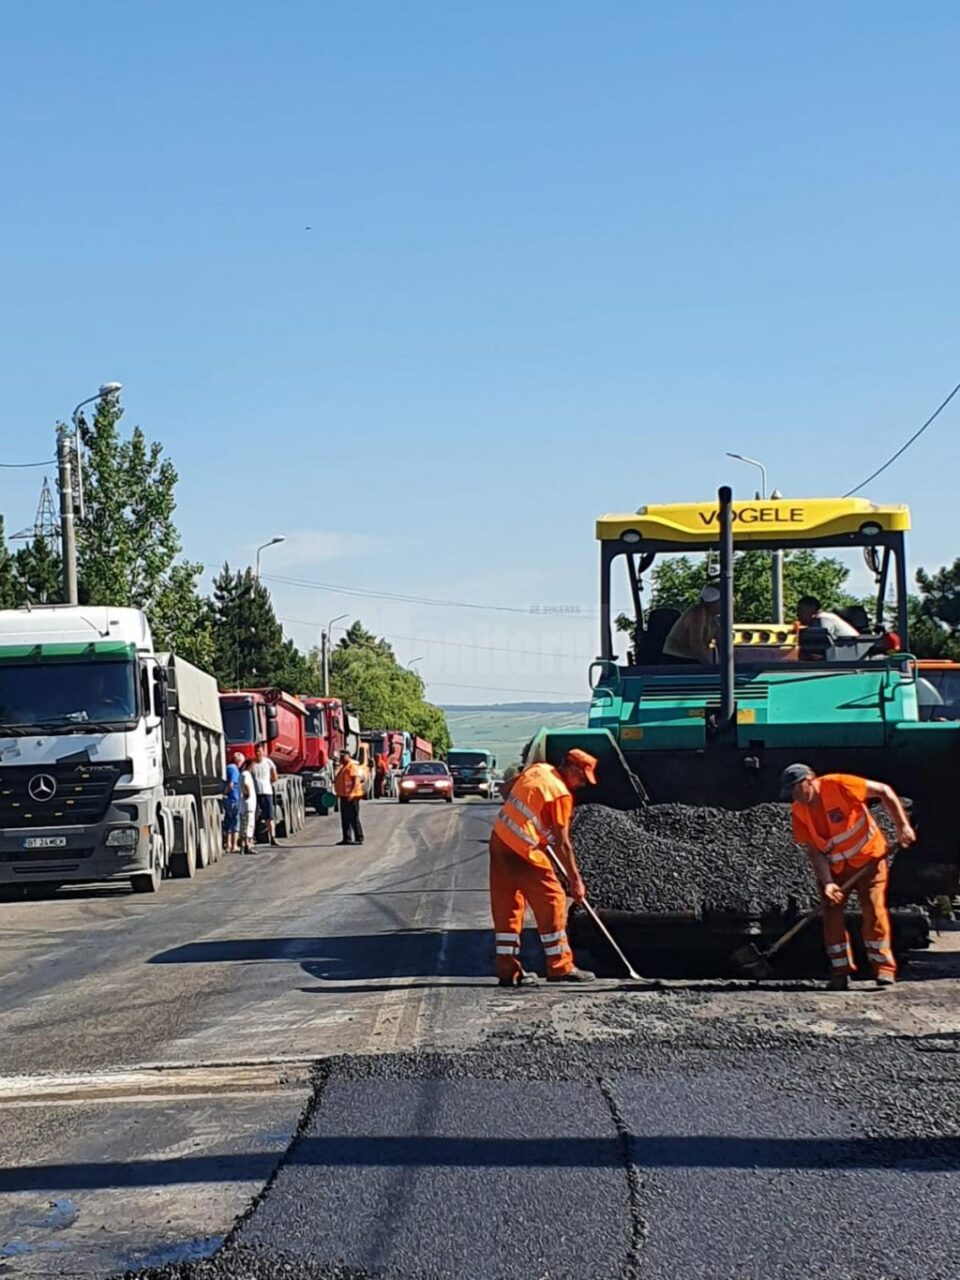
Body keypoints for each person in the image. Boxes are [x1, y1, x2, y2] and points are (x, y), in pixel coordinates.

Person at [780, 763, 916, 990]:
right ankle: (840, 971)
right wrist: (828, 883)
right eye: (791, 792)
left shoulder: (839, 784)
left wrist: (903, 826)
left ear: (810, 779)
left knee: (872, 908)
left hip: (871, 859)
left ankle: (883, 968)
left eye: (797, 789)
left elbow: (884, 791)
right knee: (831, 912)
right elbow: (814, 851)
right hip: (836, 869)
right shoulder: (799, 811)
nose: (795, 796)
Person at [489, 749, 599, 987]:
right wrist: (575, 881)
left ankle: (508, 970)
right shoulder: (559, 794)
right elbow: (563, 843)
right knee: (554, 899)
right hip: (523, 851)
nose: (581, 784)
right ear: (571, 769)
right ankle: (560, 966)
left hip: (499, 841)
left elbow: (505, 790)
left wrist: (530, 824)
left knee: (508, 904)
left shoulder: (538, 770)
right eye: (581, 778)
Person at [662, 585, 722, 664]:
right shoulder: (697, 614)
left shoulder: (713, 617)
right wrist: (709, 666)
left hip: (692, 659)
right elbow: (696, 644)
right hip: (676, 660)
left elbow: (721, 641)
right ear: (712, 603)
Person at [795, 595, 863, 662]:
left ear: (811, 609)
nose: (797, 614)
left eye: (800, 610)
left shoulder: (823, 619)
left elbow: (818, 648)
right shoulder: (821, 619)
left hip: (850, 659)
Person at [252, 744, 281, 847]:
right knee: (253, 816)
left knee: (269, 816)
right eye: (256, 751)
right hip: (255, 794)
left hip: (267, 792)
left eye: (259, 751)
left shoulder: (268, 762)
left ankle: (272, 837)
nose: (257, 753)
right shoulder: (251, 763)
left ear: (263, 752)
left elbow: (275, 776)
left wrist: (267, 783)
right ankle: (251, 838)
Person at [334, 750, 365, 845]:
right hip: (344, 796)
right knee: (345, 818)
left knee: (353, 817)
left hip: (352, 796)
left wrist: (352, 793)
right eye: (341, 756)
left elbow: (356, 780)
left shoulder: (352, 766)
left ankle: (359, 838)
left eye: (343, 756)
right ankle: (346, 838)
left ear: (348, 756)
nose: (341, 758)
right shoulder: (343, 767)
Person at [222, 751, 243, 855]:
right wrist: (226, 791)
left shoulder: (227, 767)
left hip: (227, 800)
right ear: (238, 762)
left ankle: (228, 845)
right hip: (234, 799)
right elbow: (231, 784)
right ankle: (234, 845)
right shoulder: (234, 769)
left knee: (228, 823)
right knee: (235, 823)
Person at [239, 758, 258, 854]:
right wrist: (248, 795)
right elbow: (245, 785)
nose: (254, 767)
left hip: (246, 805)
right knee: (248, 825)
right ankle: (248, 845)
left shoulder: (244, 774)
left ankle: (244, 845)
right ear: (250, 765)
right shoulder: (246, 774)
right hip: (248, 805)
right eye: (253, 765)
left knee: (245, 825)